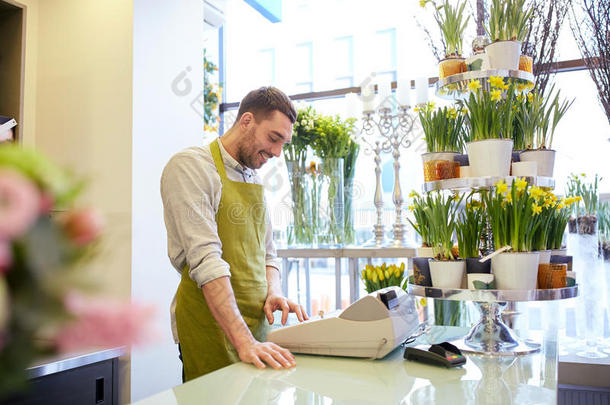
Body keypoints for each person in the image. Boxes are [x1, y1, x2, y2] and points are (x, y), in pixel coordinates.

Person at [161, 86, 309, 382]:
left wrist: (274, 291)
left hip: (256, 330)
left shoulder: (251, 176)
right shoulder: (191, 167)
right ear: (246, 121)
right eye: (273, 138)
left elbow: (268, 253)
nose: (277, 153)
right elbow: (207, 261)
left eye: (284, 142)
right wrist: (244, 341)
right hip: (210, 328)